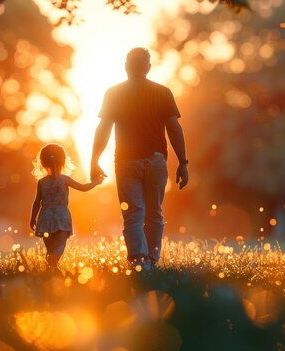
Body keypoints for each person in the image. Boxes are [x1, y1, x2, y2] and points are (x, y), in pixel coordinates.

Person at [91, 47, 189, 270]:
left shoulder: (113, 93)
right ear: (148, 68)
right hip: (156, 162)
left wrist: (94, 160)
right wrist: (183, 163)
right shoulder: (163, 92)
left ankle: (138, 262)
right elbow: (175, 128)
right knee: (154, 213)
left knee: (133, 215)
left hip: (126, 163)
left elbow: (103, 129)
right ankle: (152, 262)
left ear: (126, 66)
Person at [30, 144, 103, 268]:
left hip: (45, 218)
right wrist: (95, 182)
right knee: (59, 246)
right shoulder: (65, 180)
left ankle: (51, 267)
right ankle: (53, 265)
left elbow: (37, 202)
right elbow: (83, 188)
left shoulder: (41, 182)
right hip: (61, 218)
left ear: (42, 162)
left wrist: (33, 218)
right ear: (63, 161)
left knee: (50, 249)